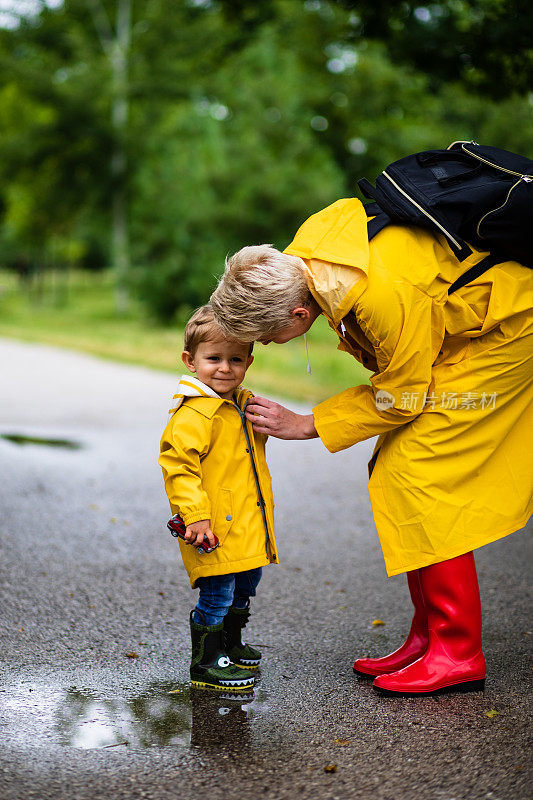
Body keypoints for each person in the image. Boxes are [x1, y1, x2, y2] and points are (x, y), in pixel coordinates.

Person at [210, 197, 533, 695]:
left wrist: (309, 423)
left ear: (299, 313)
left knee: (423, 473)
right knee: (397, 467)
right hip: (472, 319)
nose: (269, 346)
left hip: (512, 328)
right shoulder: (305, 260)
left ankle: (457, 652)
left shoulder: (379, 295)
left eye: (271, 338)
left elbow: (402, 397)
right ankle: (427, 638)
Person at [159, 305, 278, 692]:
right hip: (212, 526)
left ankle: (232, 642)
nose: (225, 368)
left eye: (235, 359)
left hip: (245, 522)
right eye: (213, 359)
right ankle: (207, 663)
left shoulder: (241, 405)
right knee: (218, 592)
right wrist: (195, 516)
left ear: (249, 361)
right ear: (190, 361)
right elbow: (179, 469)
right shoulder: (195, 415)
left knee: (246, 582)